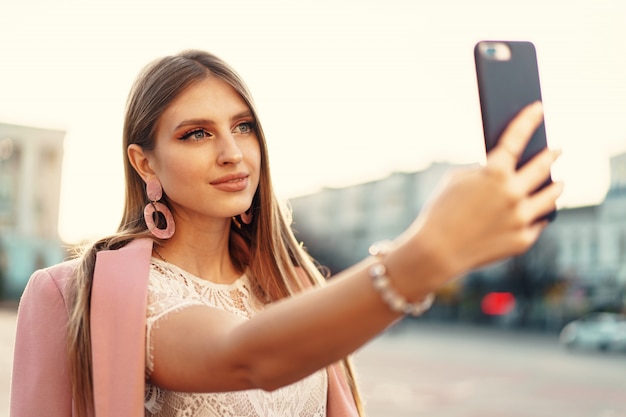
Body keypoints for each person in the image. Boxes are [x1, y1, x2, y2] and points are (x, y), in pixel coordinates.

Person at [10, 49, 562, 417]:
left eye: (243, 126)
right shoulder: (105, 292)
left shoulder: (293, 282)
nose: (232, 153)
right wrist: (427, 255)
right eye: (197, 133)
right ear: (145, 164)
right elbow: (251, 357)